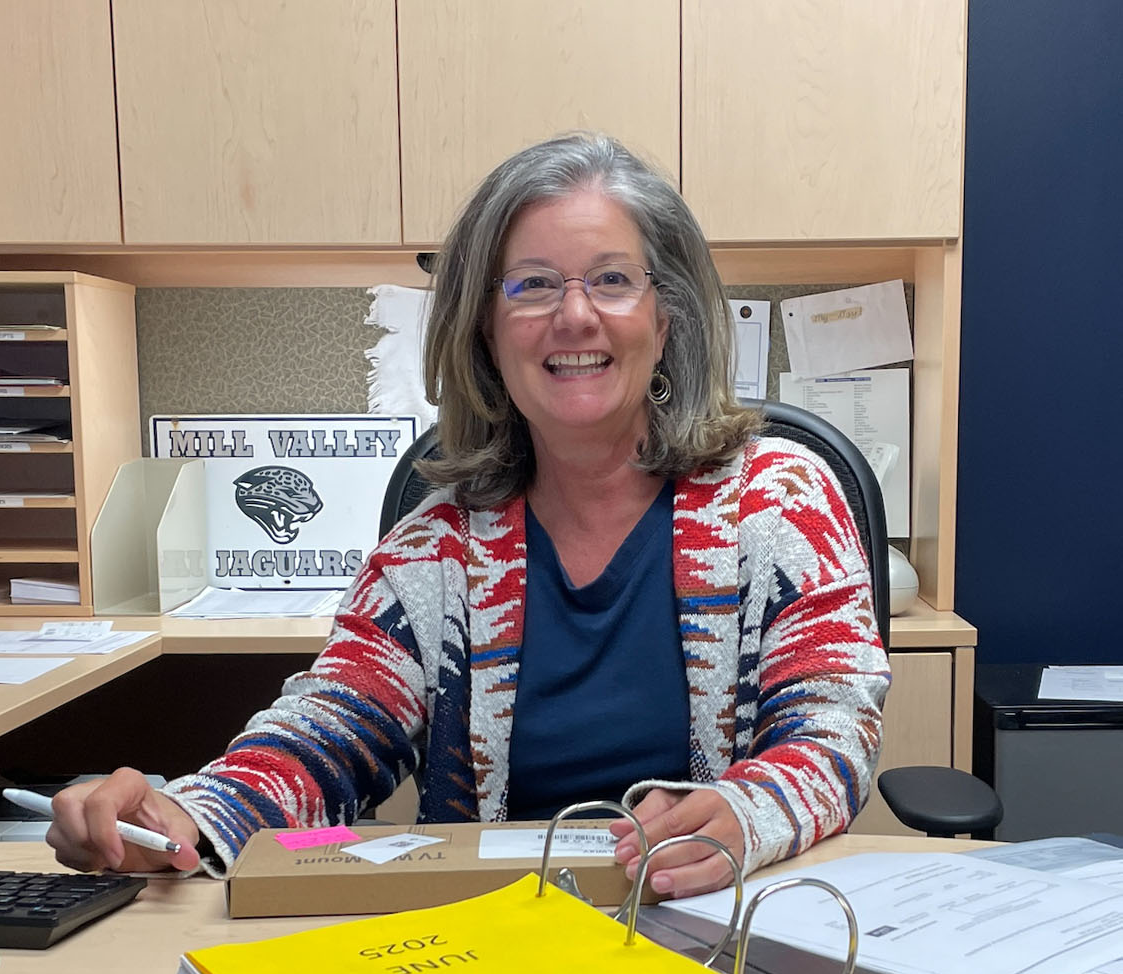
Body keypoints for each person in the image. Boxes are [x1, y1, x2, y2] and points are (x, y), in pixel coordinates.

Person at [47, 132, 890, 897]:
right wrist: (186, 814)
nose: (574, 314)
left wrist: (754, 809)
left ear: (663, 316)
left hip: (719, 927)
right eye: (531, 285)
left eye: (611, 279)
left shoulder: (778, 501)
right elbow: (326, 734)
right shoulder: (433, 552)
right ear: (485, 330)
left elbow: (831, 727)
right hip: (489, 940)